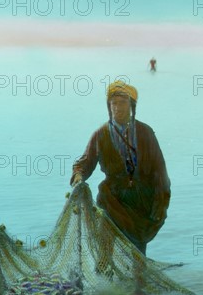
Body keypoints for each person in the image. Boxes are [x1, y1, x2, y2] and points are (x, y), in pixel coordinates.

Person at [70, 81, 170, 256]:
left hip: (140, 203)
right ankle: (104, 278)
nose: (118, 107)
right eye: (113, 103)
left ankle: (139, 282)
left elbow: (160, 172)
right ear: (109, 106)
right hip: (111, 198)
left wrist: (160, 204)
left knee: (138, 255)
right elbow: (85, 162)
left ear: (132, 105)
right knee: (104, 249)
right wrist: (78, 175)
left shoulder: (145, 132)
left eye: (122, 103)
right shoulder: (101, 134)